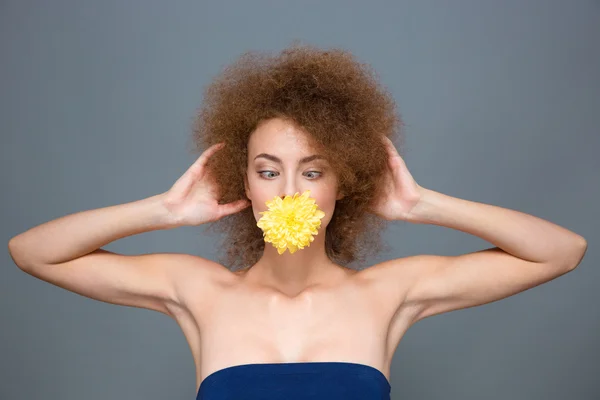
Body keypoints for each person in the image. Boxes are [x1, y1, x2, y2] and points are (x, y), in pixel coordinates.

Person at [8, 43, 588, 400]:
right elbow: (32, 251)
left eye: (312, 172)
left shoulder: (388, 293)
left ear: (346, 183)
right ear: (245, 183)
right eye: (268, 171)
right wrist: (161, 210)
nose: (288, 191)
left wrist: (422, 205)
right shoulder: (197, 291)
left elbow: (561, 251)